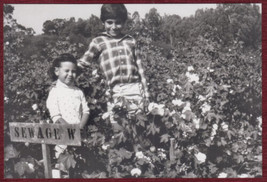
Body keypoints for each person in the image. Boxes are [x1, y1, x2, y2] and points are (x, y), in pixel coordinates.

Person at [78, 4, 150, 127]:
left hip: (133, 89)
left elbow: (140, 68)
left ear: (124, 22)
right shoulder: (98, 41)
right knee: (118, 127)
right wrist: (61, 77)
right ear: (103, 22)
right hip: (113, 91)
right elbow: (83, 63)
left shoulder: (130, 41)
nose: (114, 26)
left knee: (137, 128)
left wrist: (146, 94)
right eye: (109, 22)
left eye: (118, 23)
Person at [46, 53, 90, 178]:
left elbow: (86, 110)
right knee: (63, 171)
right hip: (63, 140)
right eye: (66, 71)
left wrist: (80, 127)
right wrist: (71, 131)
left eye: (74, 71)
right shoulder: (54, 92)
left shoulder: (78, 91)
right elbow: (56, 116)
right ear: (56, 71)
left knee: (79, 169)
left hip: (80, 136)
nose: (70, 74)